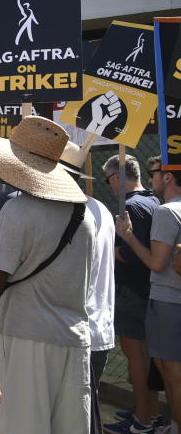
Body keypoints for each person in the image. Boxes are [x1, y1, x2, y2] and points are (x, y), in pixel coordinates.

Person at [0, 116, 95, 434]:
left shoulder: (19, 210)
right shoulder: (84, 215)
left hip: (25, 335)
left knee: (20, 426)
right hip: (74, 336)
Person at [116, 156, 181, 434]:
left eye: (154, 173)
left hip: (168, 301)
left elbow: (156, 263)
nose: (150, 179)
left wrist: (129, 237)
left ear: (167, 177)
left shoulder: (167, 212)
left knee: (173, 375)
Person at [100, 154, 163, 434]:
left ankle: (143, 421)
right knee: (146, 357)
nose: (110, 186)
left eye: (109, 179)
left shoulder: (132, 207)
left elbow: (131, 253)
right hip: (147, 290)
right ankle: (146, 412)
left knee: (136, 355)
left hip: (132, 292)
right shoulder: (152, 201)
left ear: (116, 177)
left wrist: (106, 252)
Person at [59, 143, 116, 434]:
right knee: (87, 407)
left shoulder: (71, 211)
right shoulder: (100, 207)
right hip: (97, 328)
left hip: (75, 329)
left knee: (78, 414)